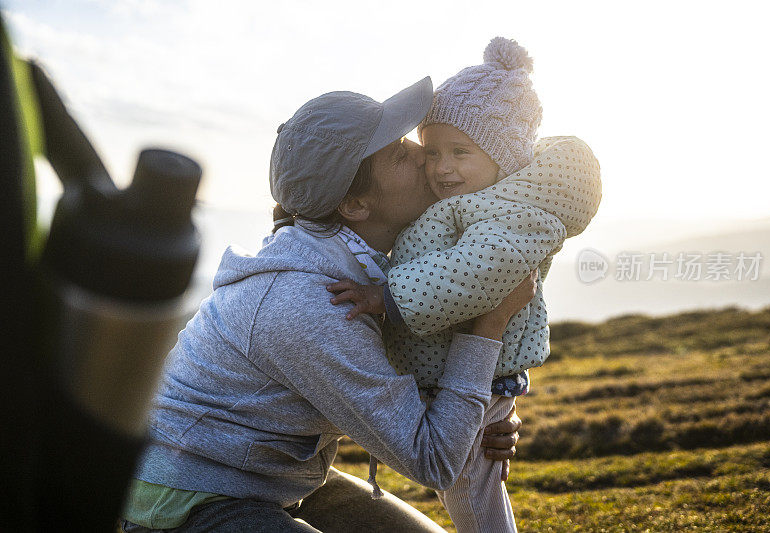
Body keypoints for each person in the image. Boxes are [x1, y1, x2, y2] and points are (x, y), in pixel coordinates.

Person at [119, 76, 536, 532]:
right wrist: (489, 327)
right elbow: (435, 460)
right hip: (186, 494)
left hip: (275, 479)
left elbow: (407, 394)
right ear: (355, 205)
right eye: (401, 153)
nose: (423, 154)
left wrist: (485, 420)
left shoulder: (377, 269)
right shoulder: (313, 303)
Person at [328, 37, 602, 532]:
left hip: (474, 374)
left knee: (472, 497)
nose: (441, 167)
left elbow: (475, 271)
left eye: (460, 152)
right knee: (470, 490)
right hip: (457, 373)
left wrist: (388, 297)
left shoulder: (508, 213)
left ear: (504, 156)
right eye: (431, 152)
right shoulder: (469, 202)